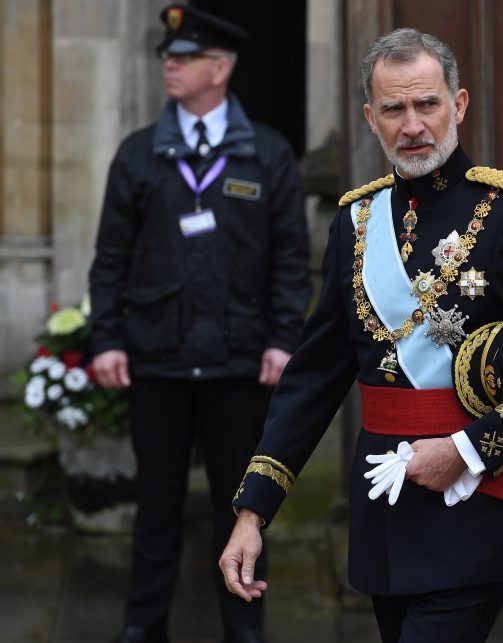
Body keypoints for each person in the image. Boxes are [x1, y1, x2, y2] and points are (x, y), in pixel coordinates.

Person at [218, 28, 503, 643]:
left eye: (427, 104)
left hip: (471, 502)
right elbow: (315, 377)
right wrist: (252, 511)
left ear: (459, 104)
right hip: (383, 508)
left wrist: (467, 450)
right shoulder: (355, 221)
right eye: (395, 109)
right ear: (372, 119)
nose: (413, 125)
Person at [88, 5, 311, 643]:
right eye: (168, 56)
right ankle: (142, 625)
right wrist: (106, 339)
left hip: (239, 365)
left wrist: (281, 340)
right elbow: (110, 260)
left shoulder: (266, 155)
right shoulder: (138, 154)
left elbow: (292, 260)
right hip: (156, 361)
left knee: (240, 510)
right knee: (155, 511)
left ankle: (244, 628)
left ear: (220, 69)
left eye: (183, 57)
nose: (169, 65)